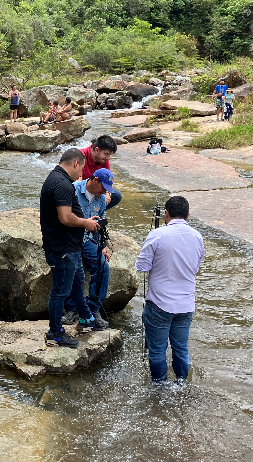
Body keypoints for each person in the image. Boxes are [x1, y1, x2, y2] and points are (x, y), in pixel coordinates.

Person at [136, 196, 205, 382]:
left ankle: (159, 388)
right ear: (188, 215)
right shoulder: (198, 237)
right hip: (185, 304)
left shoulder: (157, 235)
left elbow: (142, 267)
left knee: (157, 349)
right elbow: (195, 268)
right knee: (181, 347)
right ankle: (182, 383)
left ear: (166, 213)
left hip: (159, 303)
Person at [40, 148, 103, 348]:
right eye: (82, 168)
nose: (83, 174)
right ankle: (55, 333)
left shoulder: (56, 178)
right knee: (60, 291)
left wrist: (85, 221)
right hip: (63, 248)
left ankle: (86, 318)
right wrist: (85, 223)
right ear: (75, 163)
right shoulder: (62, 184)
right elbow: (65, 218)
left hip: (68, 246)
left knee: (77, 282)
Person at [62, 168, 115, 328]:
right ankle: (71, 308)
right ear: (95, 180)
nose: (105, 193)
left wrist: (102, 246)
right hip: (70, 240)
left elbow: (100, 222)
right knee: (73, 268)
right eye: (104, 188)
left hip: (88, 240)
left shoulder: (101, 199)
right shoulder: (73, 190)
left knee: (102, 267)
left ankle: (93, 309)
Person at [80, 135, 122, 209]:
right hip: (82, 191)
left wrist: (107, 193)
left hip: (95, 190)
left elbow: (109, 179)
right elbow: (77, 184)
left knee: (116, 196)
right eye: (106, 154)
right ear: (97, 150)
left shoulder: (103, 159)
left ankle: (96, 212)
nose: (108, 158)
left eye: (110, 155)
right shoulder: (80, 156)